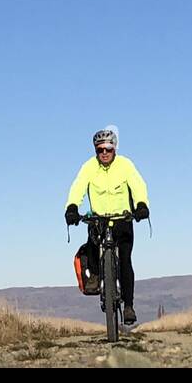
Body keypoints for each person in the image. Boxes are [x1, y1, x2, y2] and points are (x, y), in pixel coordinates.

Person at [64, 126, 150, 324]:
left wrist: (142, 205)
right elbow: (77, 186)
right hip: (99, 219)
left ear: (114, 149)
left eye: (108, 149)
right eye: (100, 149)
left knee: (126, 261)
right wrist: (71, 207)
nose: (104, 153)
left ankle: (128, 306)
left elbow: (138, 185)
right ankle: (95, 275)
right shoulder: (89, 167)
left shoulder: (125, 165)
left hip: (123, 219)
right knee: (92, 241)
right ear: (95, 151)